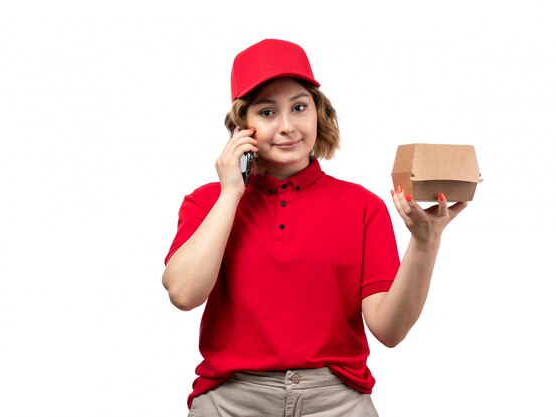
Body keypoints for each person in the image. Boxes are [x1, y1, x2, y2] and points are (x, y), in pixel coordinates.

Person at [162, 38, 468, 417]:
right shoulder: (207, 201)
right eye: (267, 112)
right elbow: (183, 293)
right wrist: (230, 193)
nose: (287, 126)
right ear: (243, 126)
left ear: (318, 114)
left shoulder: (361, 206)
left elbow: (389, 330)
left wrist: (425, 243)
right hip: (231, 401)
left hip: (338, 401)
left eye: (299, 107)